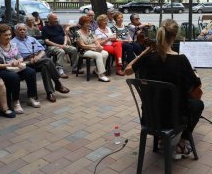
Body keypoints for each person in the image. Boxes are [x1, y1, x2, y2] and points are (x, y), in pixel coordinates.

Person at [124, 19, 204, 160]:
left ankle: (161, 140)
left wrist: (145, 52)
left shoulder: (147, 58)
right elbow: (196, 88)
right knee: (197, 104)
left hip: (150, 116)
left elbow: (127, 71)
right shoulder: (181, 60)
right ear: (175, 36)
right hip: (173, 119)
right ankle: (181, 142)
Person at [11, 23, 70, 103]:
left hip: (38, 60)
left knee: (45, 66)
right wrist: (27, 60)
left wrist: (38, 57)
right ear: (15, 31)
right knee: (48, 61)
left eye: (24, 29)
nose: (22, 31)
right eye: (20, 30)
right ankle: (58, 83)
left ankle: (49, 93)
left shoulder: (32, 39)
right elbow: (15, 57)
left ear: (26, 31)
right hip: (25, 63)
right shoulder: (13, 42)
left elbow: (42, 50)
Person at [0, 24, 41, 114]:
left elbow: (20, 57)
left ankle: (31, 98)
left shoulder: (13, 44)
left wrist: (17, 61)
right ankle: (16, 101)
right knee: (14, 77)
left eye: (9, 35)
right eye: (5, 35)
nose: (8, 37)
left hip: (14, 67)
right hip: (1, 70)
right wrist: (8, 64)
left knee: (31, 72)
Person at [42, 13, 79, 78]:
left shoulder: (58, 26)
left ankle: (74, 68)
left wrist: (64, 43)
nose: (56, 20)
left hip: (62, 45)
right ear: (49, 19)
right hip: (51, 46)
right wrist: (59, 45)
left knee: (74, 49)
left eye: (56, 18)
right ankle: (60, 70)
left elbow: (65, 35)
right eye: (54, 19)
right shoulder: (45, 28)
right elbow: (46, 41)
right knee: (61, 51)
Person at [75, 15, 110, 82]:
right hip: (84, 51)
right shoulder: (77, 33)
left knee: (105, 53)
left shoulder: (90, 31)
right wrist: (94, 47)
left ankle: (97, 70)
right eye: (86, 23)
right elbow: (82, 46)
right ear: (82, 24)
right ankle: (101, 75)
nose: (89, 24)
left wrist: (98, 45)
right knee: (99, 55)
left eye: (89, 23)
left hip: (93, 48)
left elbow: (96, 40)